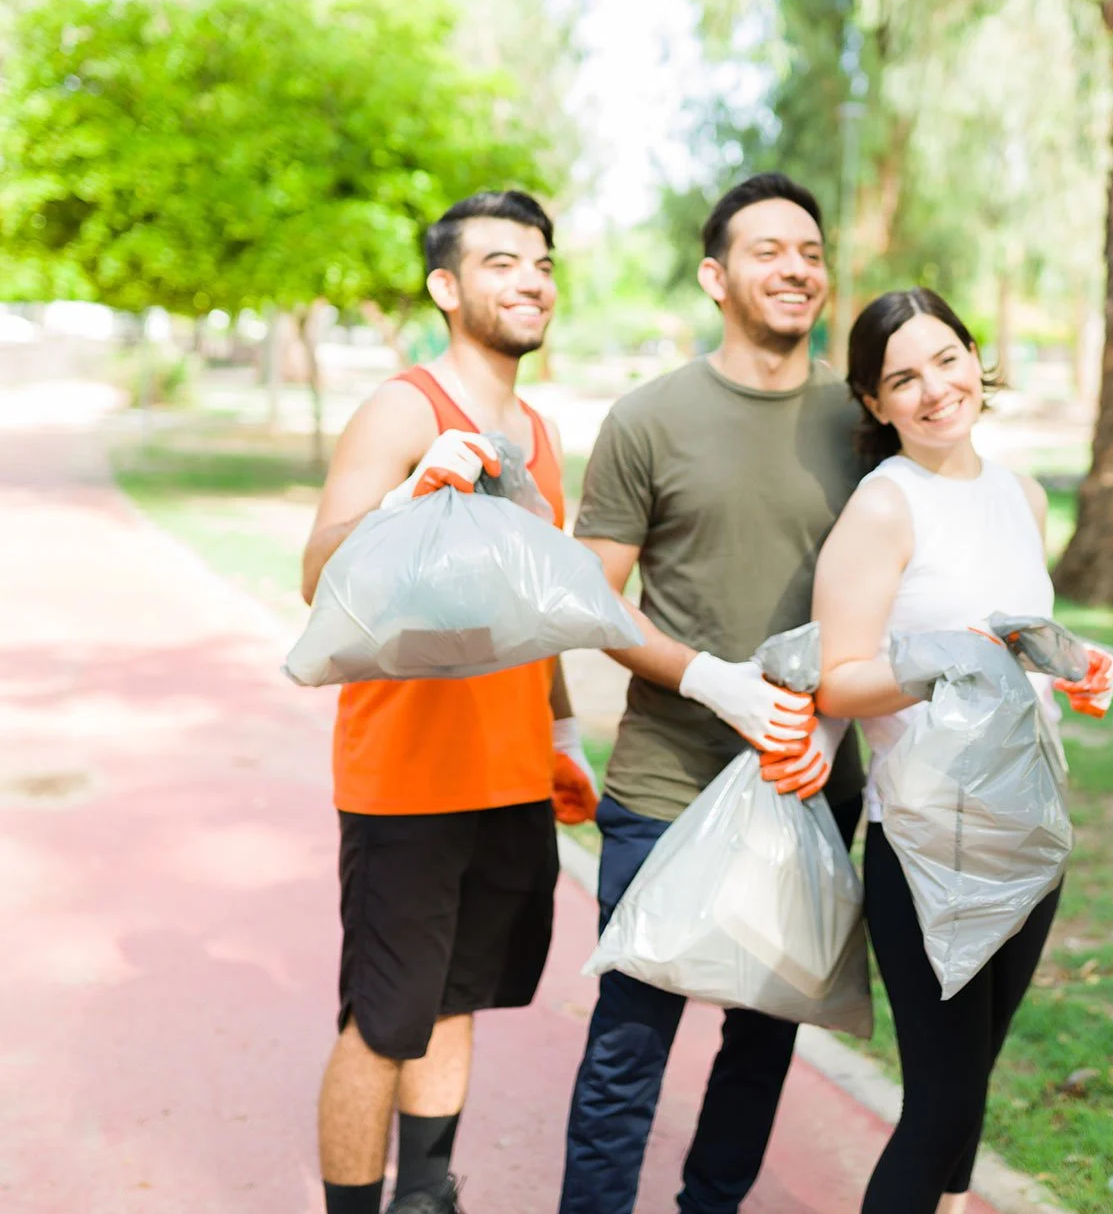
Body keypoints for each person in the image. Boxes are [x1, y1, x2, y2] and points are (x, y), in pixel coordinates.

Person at [559, 173, 868, 1214]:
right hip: (668, 781)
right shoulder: (649, 418)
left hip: (811, 781)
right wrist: (713, 681)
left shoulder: (862, 421)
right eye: (769, 250)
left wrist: (827, 717)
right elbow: (592, 599)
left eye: (811, 252)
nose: (796, 269)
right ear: (714, 275)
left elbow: (900, 588)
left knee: (763, 1040)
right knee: (628, 1047)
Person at [302, 190, 599, 1214]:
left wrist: (560, 733)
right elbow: (317, 574)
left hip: (509, 774)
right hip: (405, 782)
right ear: (446, 286)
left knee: (457, 1000)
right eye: (503, 262)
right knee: (383, 1022)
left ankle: (426, 1197)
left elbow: (537, 606)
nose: (530, 281)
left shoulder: (542, 434)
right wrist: (401, 498)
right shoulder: (405, 408)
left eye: (543, 264)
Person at [810, 287, 1113, 1214]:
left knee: (970, 1087)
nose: (934, 389)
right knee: (940, 1102)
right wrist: (953, 656)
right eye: (903, 378)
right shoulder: (884, 505)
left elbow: (1019, 644)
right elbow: (839, 680)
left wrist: (1075, 668)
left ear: (973, 355)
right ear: (874, 403)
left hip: (1026, 827)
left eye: (946, 359)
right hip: (926, 843)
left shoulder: (1019, 492)